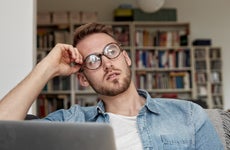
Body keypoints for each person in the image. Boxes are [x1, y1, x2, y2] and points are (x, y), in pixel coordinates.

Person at [0, 22, 223, 150]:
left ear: (126, 58)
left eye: (111, 52)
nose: (107, 63)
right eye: (93, 60)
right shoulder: (71, 121)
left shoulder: (188, 115)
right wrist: (47, 66)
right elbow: (2, 132)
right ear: (83, 78)